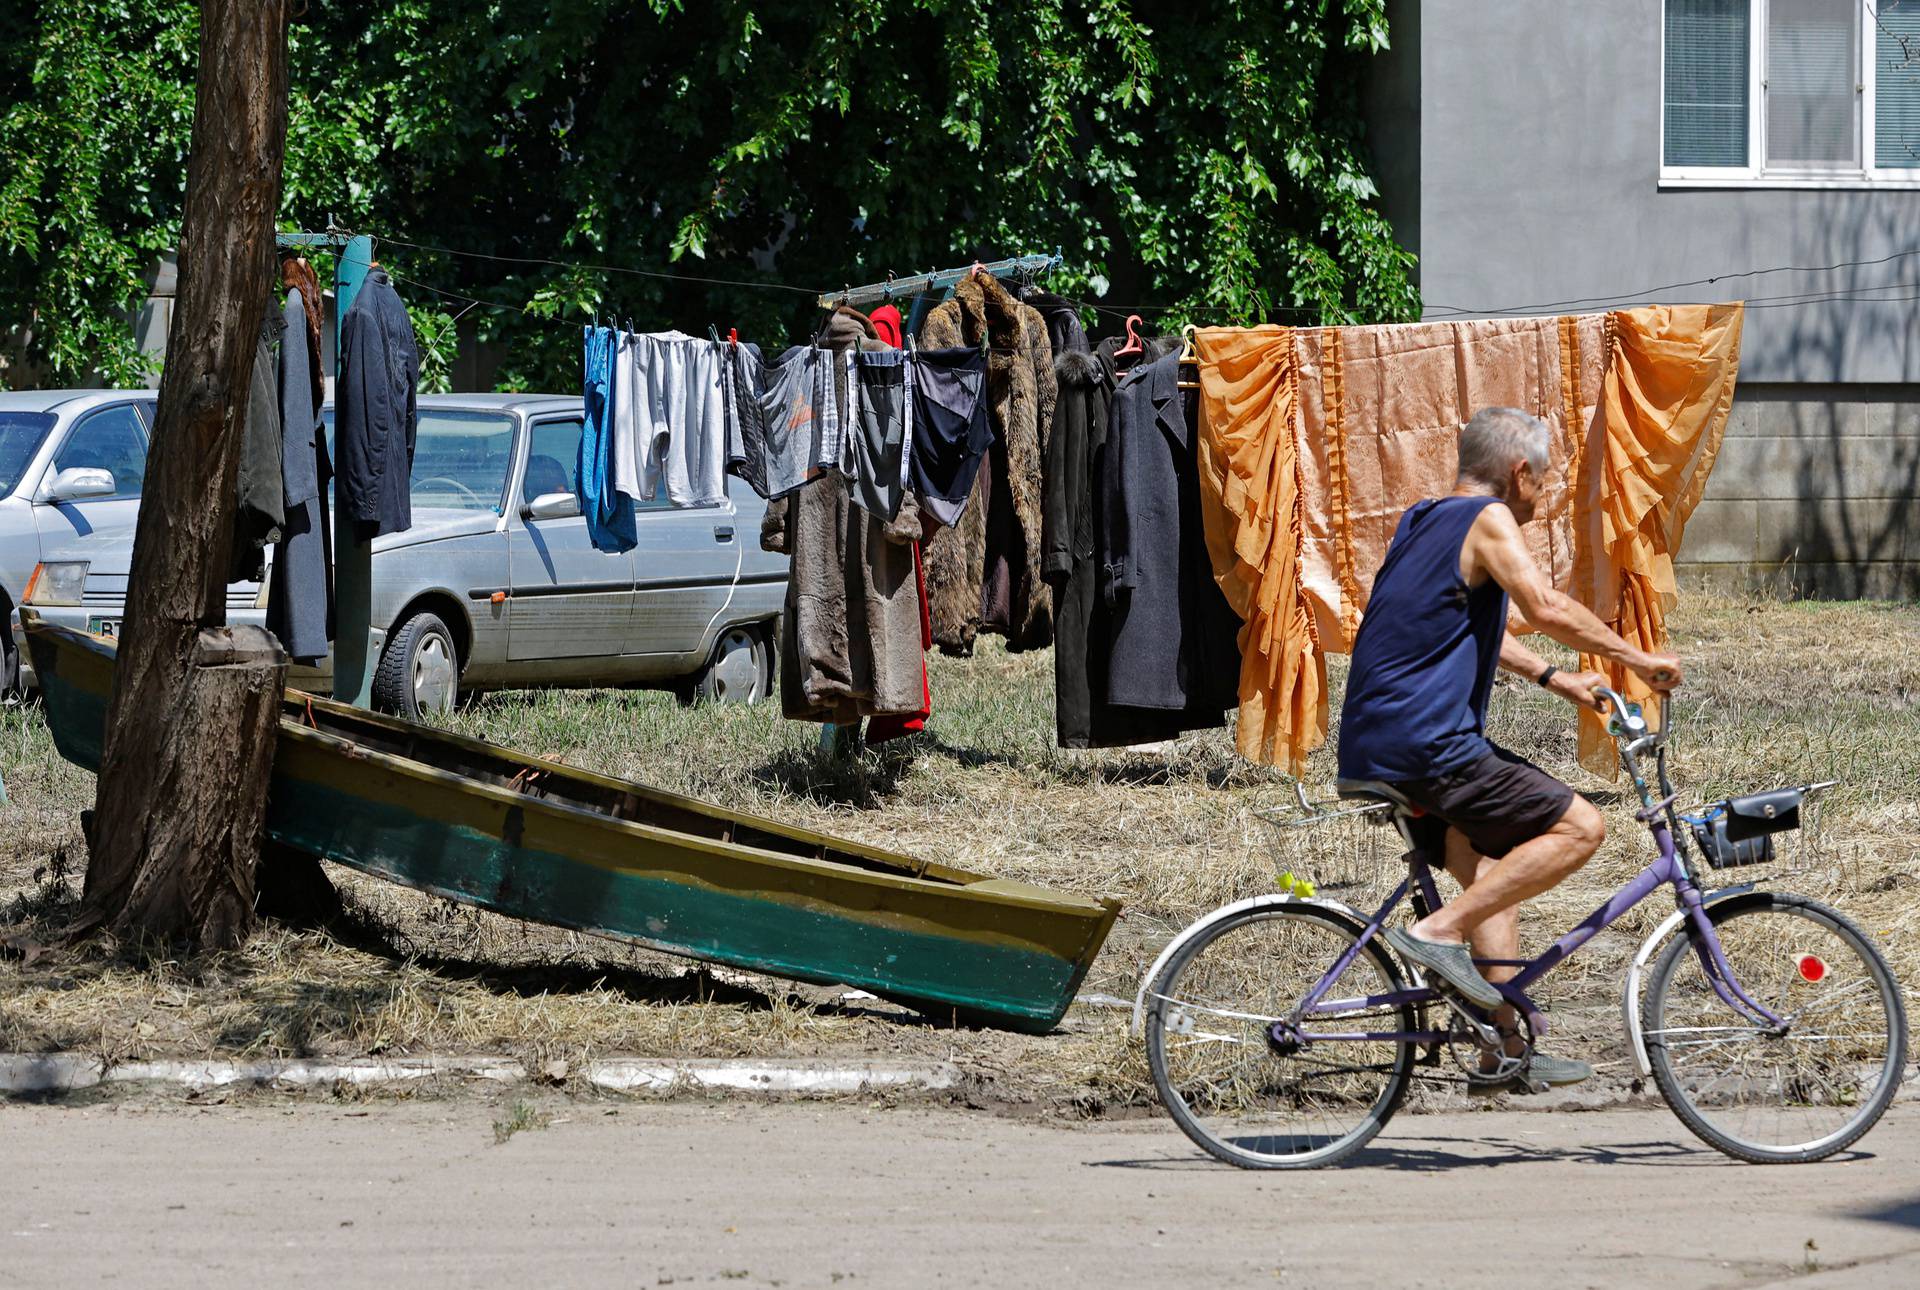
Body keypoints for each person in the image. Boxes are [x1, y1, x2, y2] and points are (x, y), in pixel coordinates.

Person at [1337, 407, 1682, 1089]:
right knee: (1582, 825)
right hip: (1428, 743)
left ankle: (1504, 1048)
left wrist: (1558, 680)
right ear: (1518, 473)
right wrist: (1633, 658)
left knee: (1488, 857)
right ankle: (1439, 934)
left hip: (1378, 740)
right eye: (1543, 482)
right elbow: (1546, 607)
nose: (1543, 495)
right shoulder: (1488, 520)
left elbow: (1465, 625)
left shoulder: (1421, 519)